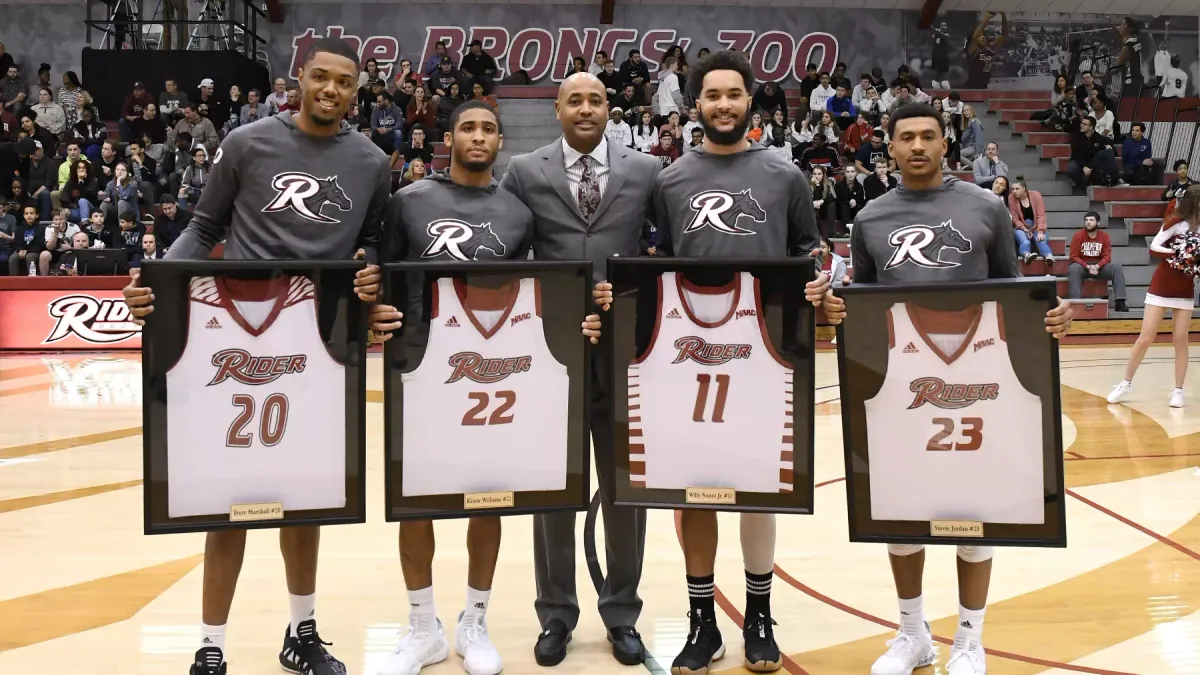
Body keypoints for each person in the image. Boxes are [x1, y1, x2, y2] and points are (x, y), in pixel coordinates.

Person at [120, 37, 394, 675]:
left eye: (344, 83)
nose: (330, 90)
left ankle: (302, 633)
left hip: (320, 340)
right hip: (239, 329)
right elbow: (204, 227)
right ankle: (211, 644)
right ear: (298, 79)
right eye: (320, 78)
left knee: (308, 496)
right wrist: (157, 278)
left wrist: (371, 272)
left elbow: (374, 240)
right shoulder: (246, 144)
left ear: (358, 91)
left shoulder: (373, 161)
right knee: (231, 497)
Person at [809, 102, 1072, 675]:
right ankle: (913, 635)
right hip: (906, 376)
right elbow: (866, 306)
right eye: (908, 138)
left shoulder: (984, 207)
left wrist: (1055, 313)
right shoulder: (870, 218)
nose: (919, 146)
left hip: (978, 370)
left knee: (976, 512)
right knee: (904, 510)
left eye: (930, 135)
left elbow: (1013, 291)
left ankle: (970, 640)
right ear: (891, 146)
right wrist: (836, 312)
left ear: (945, 144)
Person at [372, 100, 602, 675]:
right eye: (468, 128)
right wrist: (373, 310)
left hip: (489, 366)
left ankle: (474, 620)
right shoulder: (408, 201)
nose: (479, 137)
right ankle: (422, 626)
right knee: (415, 502)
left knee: (487, 496)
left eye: (489, 130)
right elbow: (381, 274)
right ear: (448, 138)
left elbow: (534, 290)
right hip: (419, 363)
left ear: (502, 143)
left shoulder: (517, 213)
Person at [650, 50, 819, 675]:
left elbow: (810, 252)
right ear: (695, 104)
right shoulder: (668, 181)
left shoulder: (784, 176)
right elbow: (657, 266)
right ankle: (701, 624)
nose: (723, 104)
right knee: (694, 492)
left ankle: (759, 616)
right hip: (687, 354)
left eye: (734, 94)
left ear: (751, 101)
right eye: (712, 95)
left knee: (758, 492)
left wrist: (819, 290)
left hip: (766, 354)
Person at [500, 71, 660, 669]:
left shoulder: (645, 172)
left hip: (625, 350)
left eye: (596, 99)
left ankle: (622, 614)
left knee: (625, 491)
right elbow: (511, 256)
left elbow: (665, 252)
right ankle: (556, 614)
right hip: (553, 351)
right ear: (558, 109)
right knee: (555, 491)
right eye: (575, 100)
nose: (586, 108)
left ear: (609, 108)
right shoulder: (523, 171)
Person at [1108, 186, 1200, 408]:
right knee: (1146, 336)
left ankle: (1178, 391)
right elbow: (1154, 247)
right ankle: (1125, 383)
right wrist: (1179, 252)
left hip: (1185, 288)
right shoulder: (1175, 223)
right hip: (1162, 285)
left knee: (1181, 339)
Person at [1068, 211, 1127, 312]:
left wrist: (1097, 266)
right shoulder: (1078, 235)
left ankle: (1120, 302)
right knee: (1073, 268)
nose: (1088, 222)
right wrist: (1087, 266)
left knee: (1117, 267)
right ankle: (1076, 302)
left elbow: (1107, 256)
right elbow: (1073, 256)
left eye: (1091, 220)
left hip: (1099, 267)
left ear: (1098, 223)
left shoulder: (1104, 236)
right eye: (1086, 220)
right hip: (1083, 267)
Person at [1007, 178, 1054, 265]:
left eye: (1017, 189)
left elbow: (1041, 214)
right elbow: (1015, 218)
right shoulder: (1011, 198)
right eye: (1012, 189)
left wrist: (1040, 231)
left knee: (1041, 239)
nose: (1014, 191)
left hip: (1036, 225)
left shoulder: (1036, 195)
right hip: (1020, 227)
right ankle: (1026, 255)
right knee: (1024, 240)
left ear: (1024, 188)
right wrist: (1024, 229)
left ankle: (1049, 257)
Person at [1067, 116, 1118, 189]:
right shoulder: (1076, 138)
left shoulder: (1098, 138)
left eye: (1085, 124)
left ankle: (1114, 178)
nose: (1081, 125)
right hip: (1080, 163)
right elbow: (1076, 155)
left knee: (1108, 151)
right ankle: (1080, 183)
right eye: (1081, 123)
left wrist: (1109, 146)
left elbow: (1109, 146)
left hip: (1093, 164)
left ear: (1091, 127)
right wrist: (1084, 166)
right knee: (1071, 167)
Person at [964, 12, 1008, 89]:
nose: (982, 36)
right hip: (971, 87)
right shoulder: (972, 50)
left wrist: (1003, 15)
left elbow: (1004, 34)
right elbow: (975, 37)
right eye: (980, 36)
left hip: (984, 86)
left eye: (982, 35)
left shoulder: (991, 47)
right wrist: (986, 18)